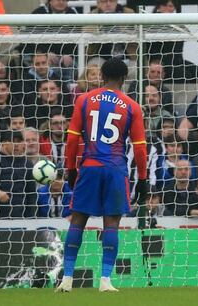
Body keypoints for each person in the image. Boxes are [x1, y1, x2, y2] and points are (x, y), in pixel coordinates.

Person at [57, 58, 149, 293]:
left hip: (90, 166)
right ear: (124, 79)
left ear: (102, 76)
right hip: (116, 169)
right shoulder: (132, 106)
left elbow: (72, 138)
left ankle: (67, 278)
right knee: (111, 224)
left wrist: (71, 168)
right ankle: (105, 280)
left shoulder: (84, 99)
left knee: (78, 219)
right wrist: (143, 179)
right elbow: (139, 147)